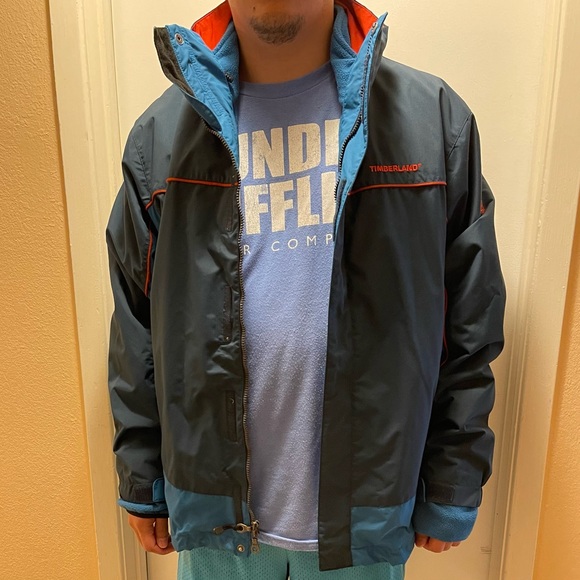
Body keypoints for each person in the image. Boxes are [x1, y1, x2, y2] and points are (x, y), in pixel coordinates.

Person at [106, 1, 506, 578]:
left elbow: (470, 320)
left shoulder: (435, 124)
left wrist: (452, 479)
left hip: (366, 524)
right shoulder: (160, 140)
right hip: (217, 526)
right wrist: (142, 478)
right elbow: (135, 324)